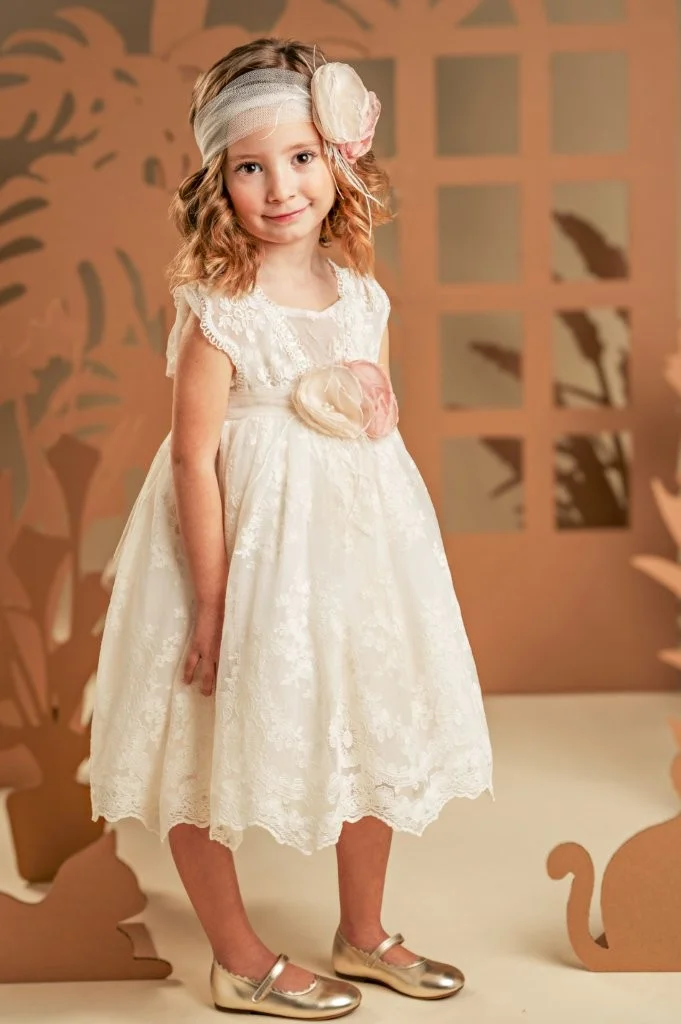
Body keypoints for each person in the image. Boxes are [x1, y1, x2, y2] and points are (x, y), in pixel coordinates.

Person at [89, 36, 493, 1020]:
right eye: (250, 167)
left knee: (368, 715)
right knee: (197, 734)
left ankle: (364, 932)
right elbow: (193, 458)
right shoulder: (218, 311)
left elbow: (373, 420)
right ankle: (237, 956)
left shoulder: (363, 297)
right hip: (236, 551)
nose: (280, 188)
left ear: (337, 162)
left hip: (350, 551)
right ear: (217, 183)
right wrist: (213, 600)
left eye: (303, 157)